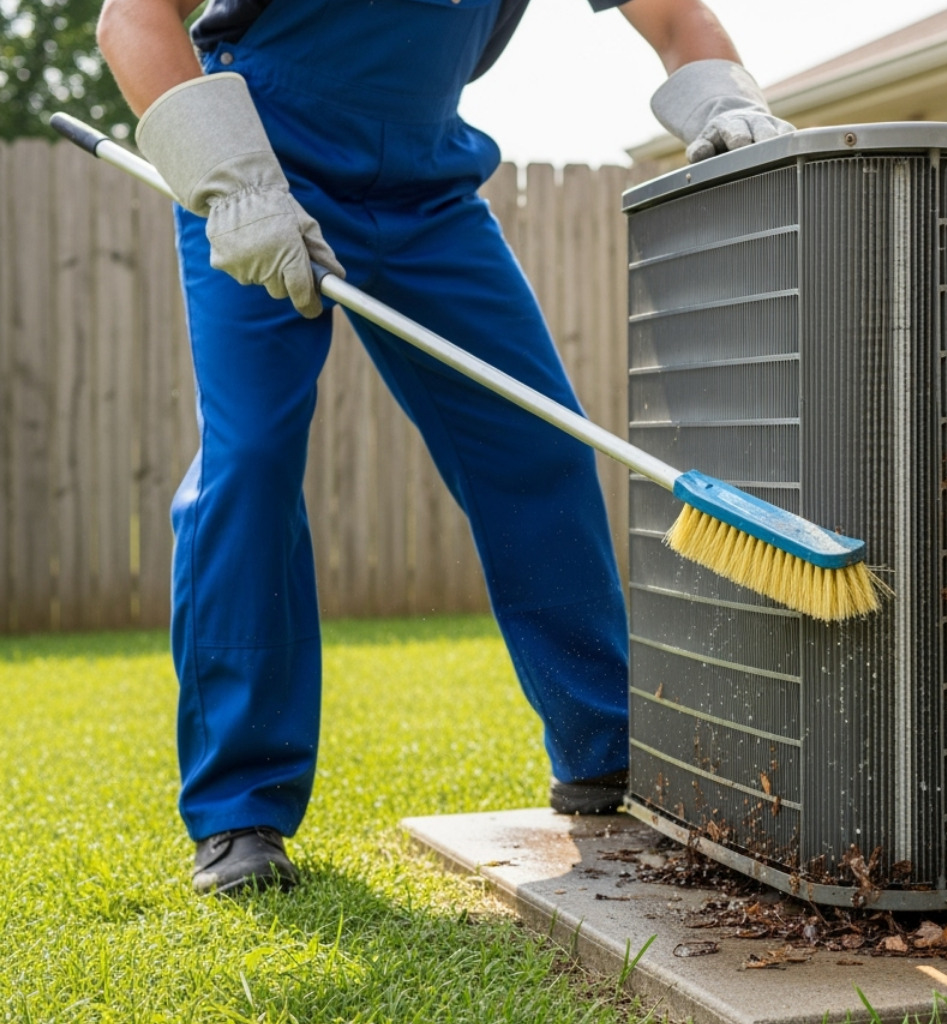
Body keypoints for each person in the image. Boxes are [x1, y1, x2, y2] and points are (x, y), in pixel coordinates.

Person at [96, 0, 792, 895]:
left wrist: (725, 101)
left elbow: (675, 20)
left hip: (428, 192)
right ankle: (241, 812)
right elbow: (133, 18)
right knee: (253, 461)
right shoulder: (243, 175)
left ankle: (606, 750)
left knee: (537, 447)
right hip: (260, 168)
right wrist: (232, 185)